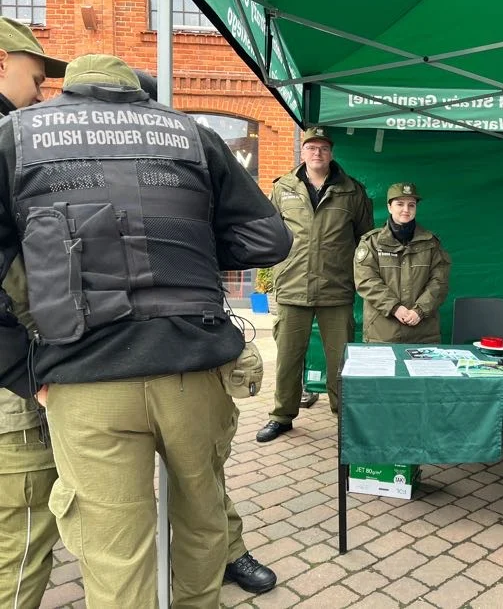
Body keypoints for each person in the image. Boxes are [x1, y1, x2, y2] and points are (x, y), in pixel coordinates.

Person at [0, 54, 293, 606]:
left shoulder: (15, 135)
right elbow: (269, 241)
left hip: (84, 379)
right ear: (136, 90)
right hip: (194, 370)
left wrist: (22, 369)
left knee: (115, 552)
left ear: (69, 87)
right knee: (204, 524)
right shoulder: (193, 134)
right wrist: (195, 248)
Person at [135, 68, 279, 595]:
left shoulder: (192, 157)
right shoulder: (44, 149)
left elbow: (263, 236)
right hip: (93, 357)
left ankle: (227, 552)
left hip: (187, 349)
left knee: (202, 477)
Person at [0, 16, 65, 609]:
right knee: (22, 532)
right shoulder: (4, 141)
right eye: (37, 80)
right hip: (13, 376)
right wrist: (28, 372)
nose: (41, 96)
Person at [257, 126, 373, 443]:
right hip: (293, 285)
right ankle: (282, 416)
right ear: (303, 151)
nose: (317, 152)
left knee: (341, 358)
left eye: (322, 147)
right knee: (288, 358)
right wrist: (272, 275)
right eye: (311, 147)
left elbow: (365, 240)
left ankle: (344, 415)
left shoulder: (353, 191)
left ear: (331, 152)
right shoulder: (283, 188)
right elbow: (270, 234)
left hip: (336, 288)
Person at [354, 182, 451, 343]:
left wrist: (420, 310)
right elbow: (366, 281)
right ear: (389, 207)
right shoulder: (371, 242)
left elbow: (439, 281)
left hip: (423, 334)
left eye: (411, 205)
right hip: (382, 333)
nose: (406, 210)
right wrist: (395, 308)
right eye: (400, 204)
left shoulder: (431, 243)